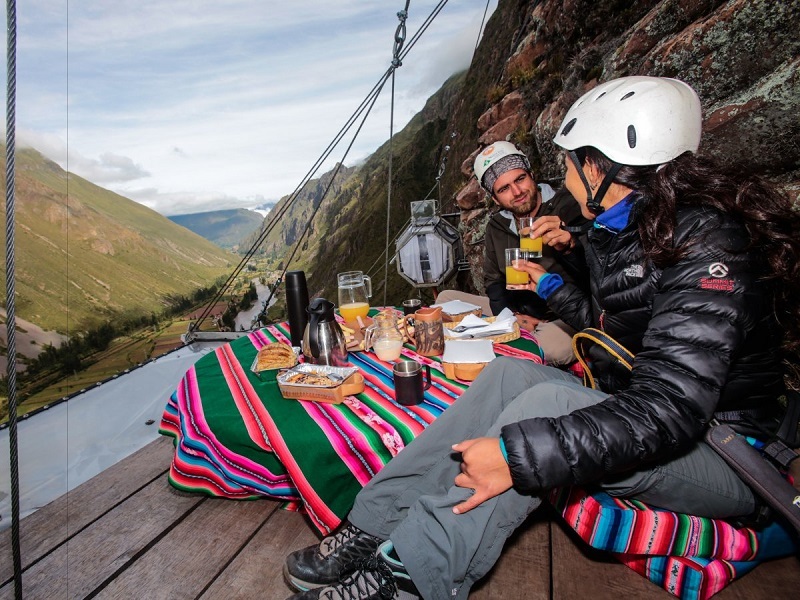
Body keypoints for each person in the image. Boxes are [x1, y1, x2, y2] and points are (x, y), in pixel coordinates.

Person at [282, 76, 800, 600]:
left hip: (730, 454)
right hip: (653, 412)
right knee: (510, 373)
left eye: (571, 164)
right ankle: (371, 524)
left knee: (547, 400)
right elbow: (610, 325)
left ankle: (413, 574)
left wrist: (516, 454)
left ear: (598, 167)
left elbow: (671, 410)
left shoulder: (707, 246)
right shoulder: (640, 229)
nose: (566, 178)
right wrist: (569, 262)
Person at [436, 141, 587, 366]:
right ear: (496, 199)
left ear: (532, 175)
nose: (517, 192)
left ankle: (502, 347)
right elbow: (494, 282)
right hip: (517, 311)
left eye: (520, 179)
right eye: (504, 189)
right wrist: (510, 317)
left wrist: (571, 245)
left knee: (554, 349)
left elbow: (596, 275)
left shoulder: (568, 206)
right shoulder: (497, 226)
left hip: (564, 315)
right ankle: (510, 337)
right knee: (444, 299)